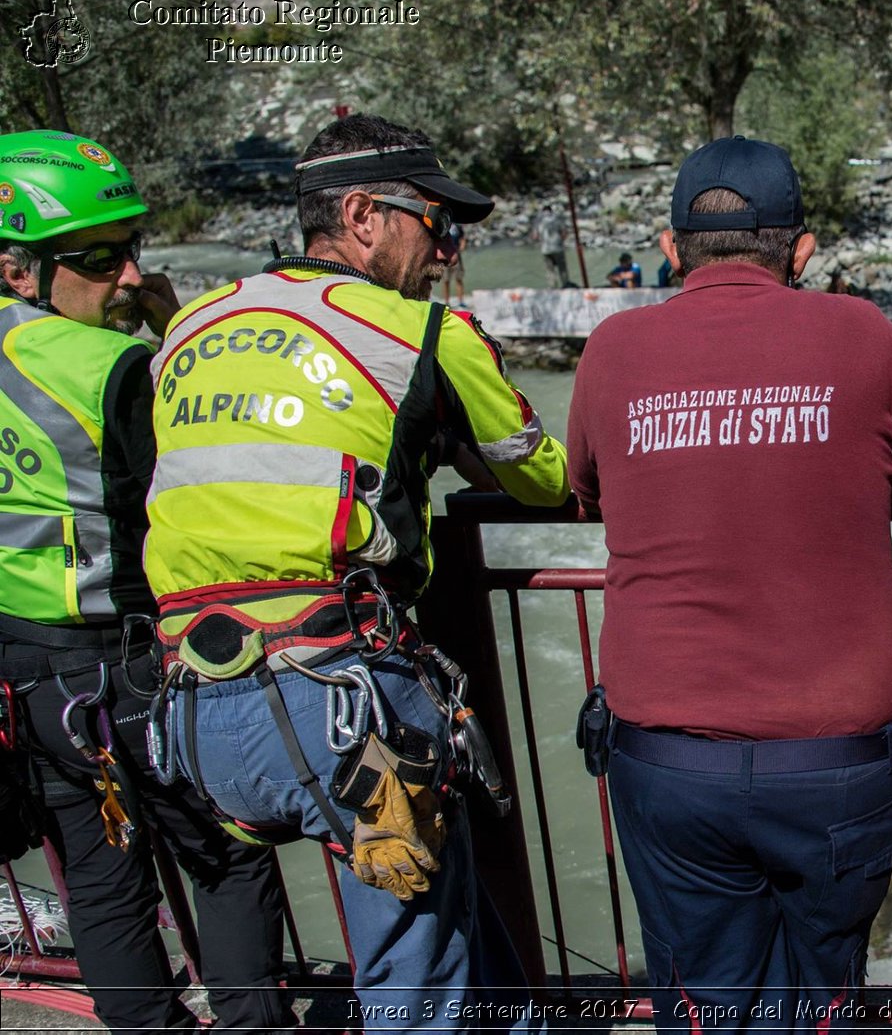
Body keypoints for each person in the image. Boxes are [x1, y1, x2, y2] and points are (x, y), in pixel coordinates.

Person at [142, 113, 570, 1028]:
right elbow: (544, 478)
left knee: (446, 921)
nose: (449, 250)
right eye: (437, 223)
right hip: (341, 712)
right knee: (412, 985)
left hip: (192, 713)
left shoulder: (190, 327)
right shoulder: (424, 334)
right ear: (364, 216)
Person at [566, 135, 892, 1030]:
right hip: (839, 759)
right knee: (823, 998)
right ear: (802, 250)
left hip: (668, 758)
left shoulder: (614, 348)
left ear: (671, 249)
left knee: (703, 1003)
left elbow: (586, 489)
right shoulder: (861, 331)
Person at [0, 130, 296, 1034]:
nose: (128, 275)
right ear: (18, 270)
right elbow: (212, 479)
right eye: (99, 257)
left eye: (134, 247)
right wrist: (176, 331)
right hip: (134, 661)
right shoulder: (114, 369)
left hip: (30, 670)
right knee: (231, 855)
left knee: (95, 876)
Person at [536, 206, 571, 287]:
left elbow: (536, 236)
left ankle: (553, 287)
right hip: (558, 248)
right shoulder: (557, 220)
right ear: (551, 211)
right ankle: (566, 286)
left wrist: (541, 242)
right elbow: (564, 233)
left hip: (546, 250)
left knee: (550, 271)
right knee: (562, 269)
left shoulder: (540, 222)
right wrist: (561, 242)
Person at [440, 221, 467, 305]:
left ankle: (461, 301)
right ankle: (447, 302)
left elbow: (462, 237)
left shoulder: (458, 225)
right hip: (445, 255)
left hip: (456, 254)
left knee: (459, 278)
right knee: (446, 280)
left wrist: (462, 246)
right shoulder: (443, 223)